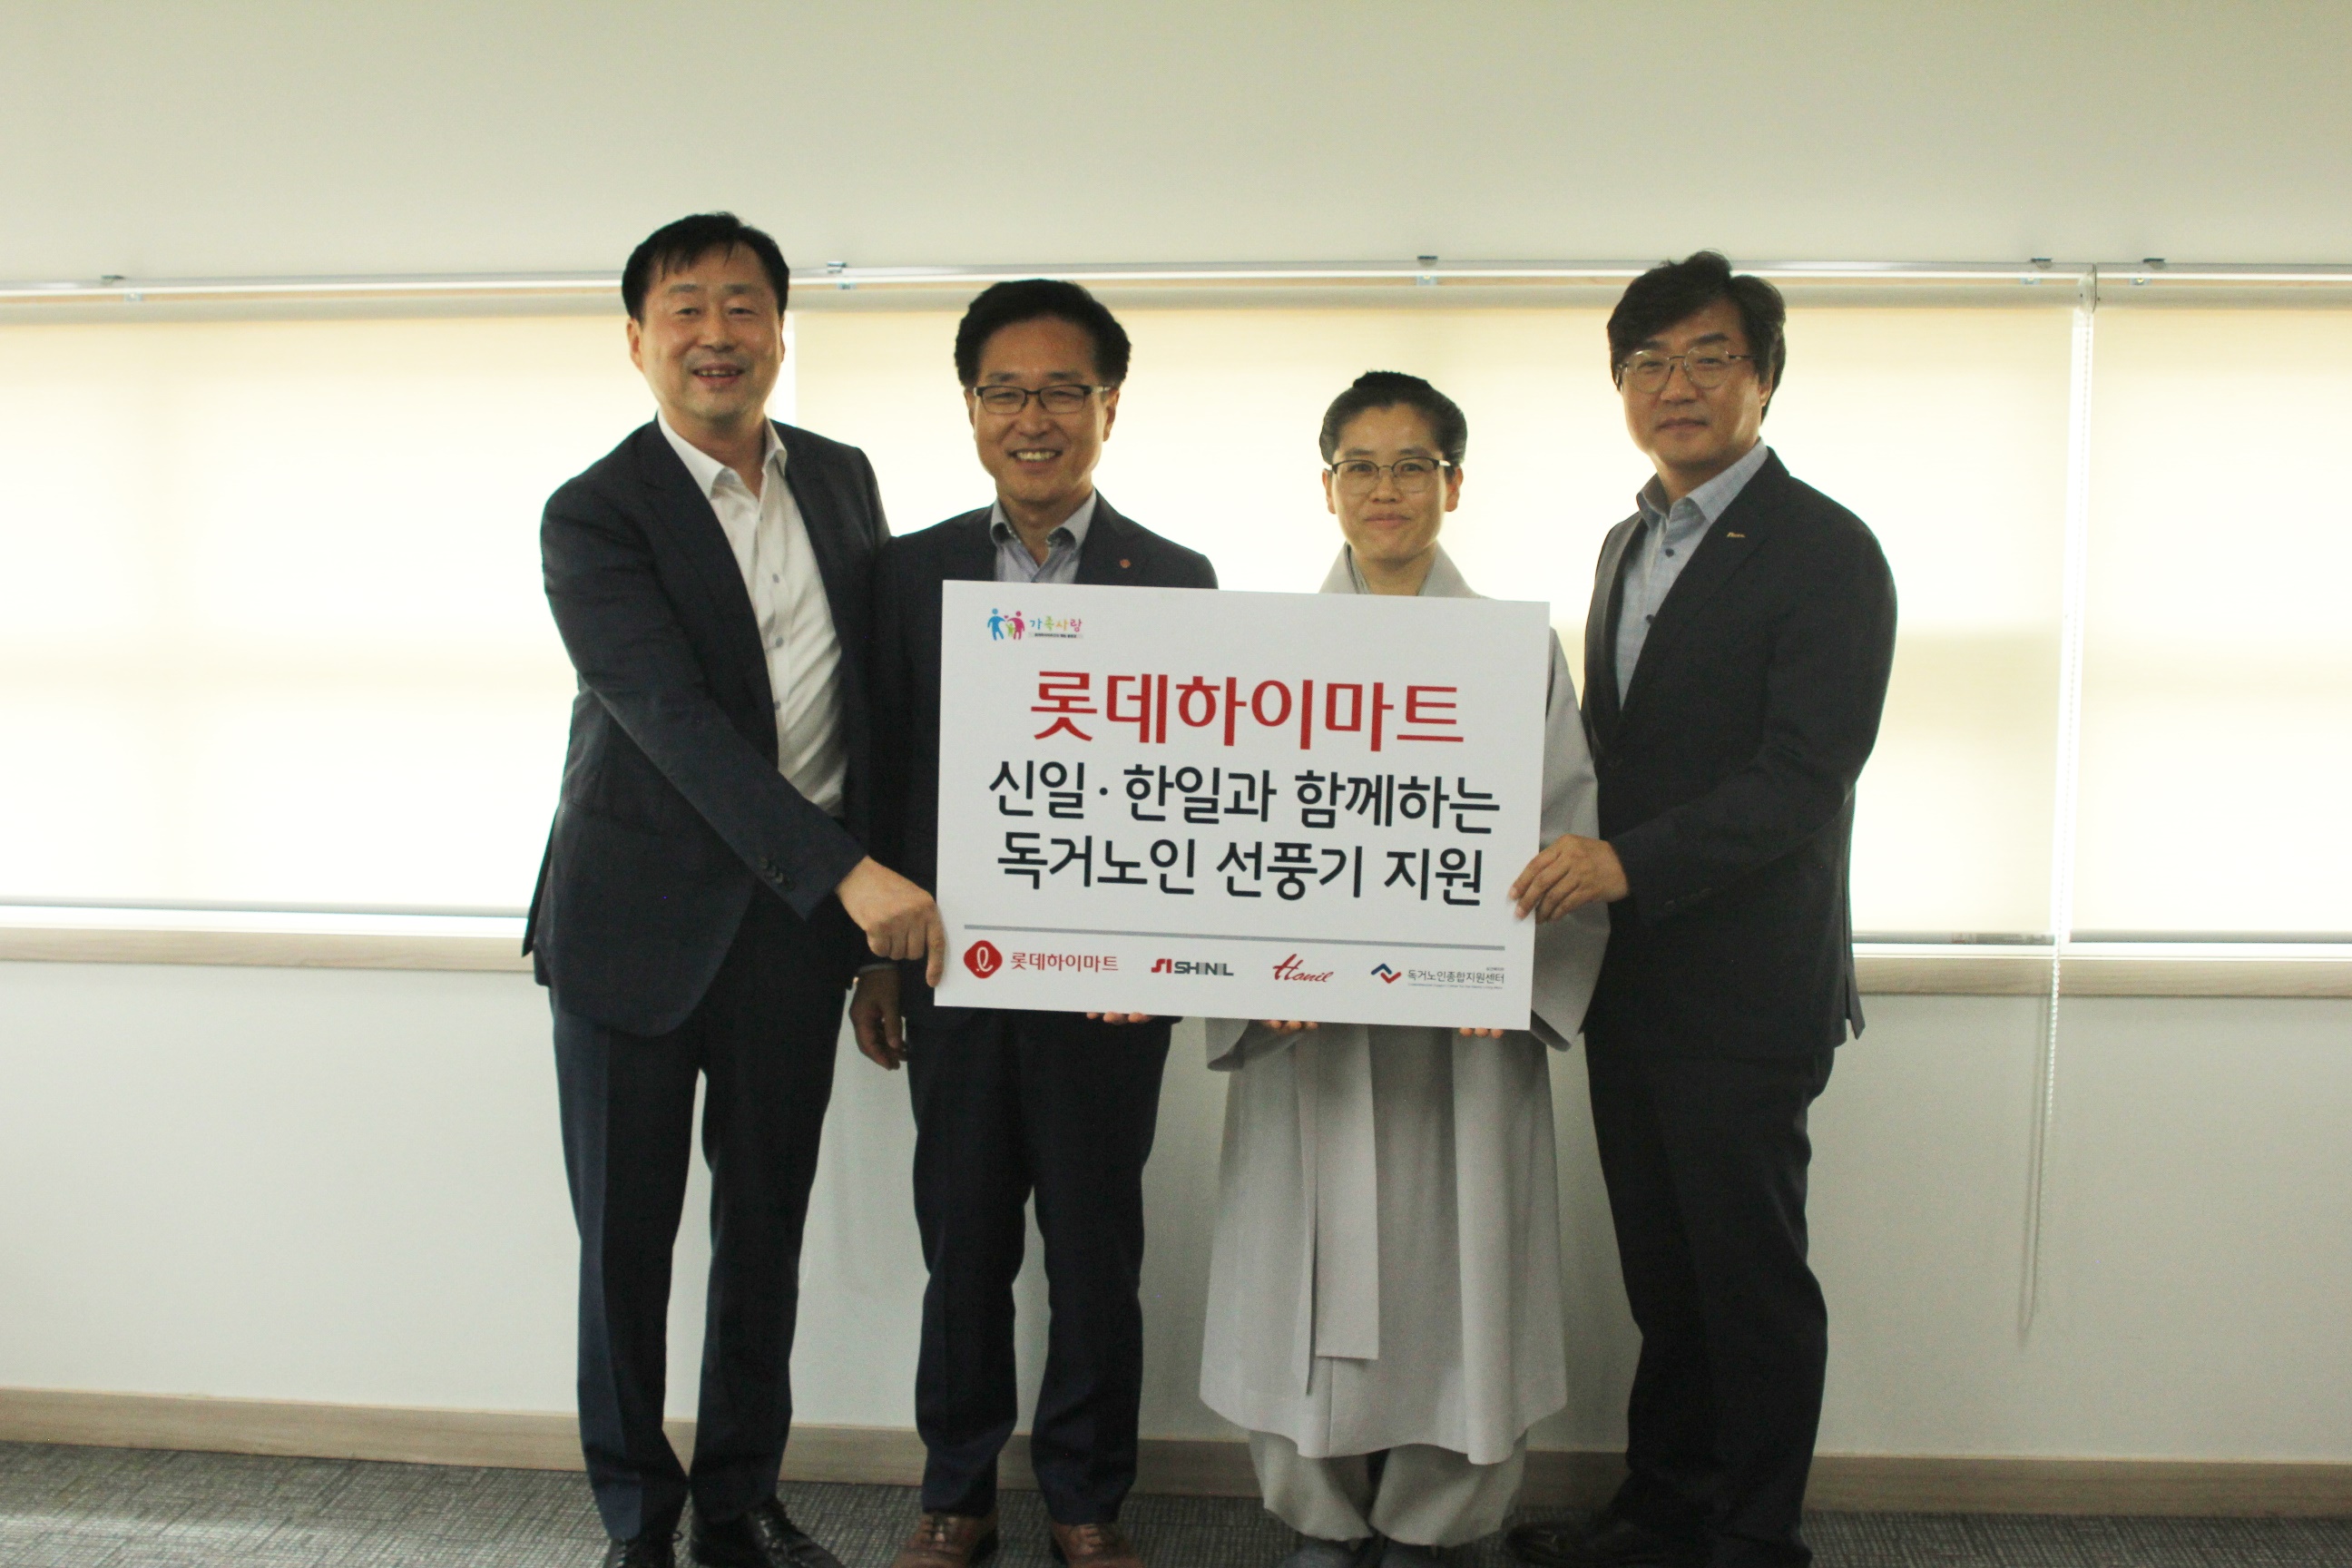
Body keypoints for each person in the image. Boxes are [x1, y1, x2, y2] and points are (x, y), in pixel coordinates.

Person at [528, 212, 945, 1568]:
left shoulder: (841, 478)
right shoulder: (595, 513)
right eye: (687, 308)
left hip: (792, 939)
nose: (718, 334)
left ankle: (738, 1502)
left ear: (779, 327)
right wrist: (852, 874)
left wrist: (871, 938)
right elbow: (672, 722)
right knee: (626, 1251)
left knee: (763, 1232)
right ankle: (638, 1523)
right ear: (637, 339)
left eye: (745, 305)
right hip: (630, 933)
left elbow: (871, 709)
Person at [1504, 254, 1897, 1568]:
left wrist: (1626, 862)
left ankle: (1753, 1536)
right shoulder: (1627, 544)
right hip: (1633, 979)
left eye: (1709, 357)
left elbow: (1804, 776)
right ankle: (1664, 1508)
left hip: (1747, 988)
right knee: (1665, 1273)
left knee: (1748, 1280)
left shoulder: (1826, 549)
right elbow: (1612, 753)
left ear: (1764, 378)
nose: (1677, 385)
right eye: (1649, 363)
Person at [1200, 372, 1611, 1568]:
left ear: (1454, 485)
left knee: (1464, 1274)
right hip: (1311, 1036)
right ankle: (1319, 1518)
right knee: (1300, 1272)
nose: (1387, 490)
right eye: (1362, 467)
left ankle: (1444, 1524)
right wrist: (1251, 977)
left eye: (1413, 466)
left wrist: (1509, 975)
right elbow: (1223, 831)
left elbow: (1562, 826)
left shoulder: (1515, 652)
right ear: (1327, 487)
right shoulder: (1265, 652)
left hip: (1462, 1045)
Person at [860, 280, 1219, 1568]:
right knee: (961, 1249)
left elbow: (1193, 790)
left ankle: (1085, 1500)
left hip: (1106, 993)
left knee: (1094, 1253)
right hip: (951, 973)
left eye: (1063, 390)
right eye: (1005, 391)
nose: (1034, 418)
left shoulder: (1175, 578)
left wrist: (1164, 957)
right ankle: (955, 1492)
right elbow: (882, 769)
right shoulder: (904, 574)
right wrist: (874, 966)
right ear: (971, 410)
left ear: (1109, 407)